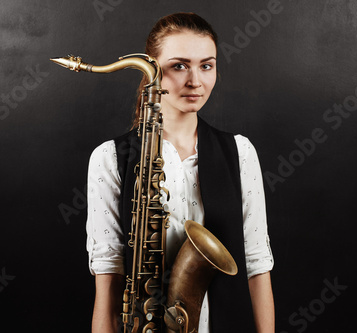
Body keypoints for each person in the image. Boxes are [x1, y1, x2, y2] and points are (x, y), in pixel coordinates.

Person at [86, 12, 274, 333]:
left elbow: (256, 267)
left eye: (206, 65)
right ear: (152, 72)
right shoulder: (108, 158)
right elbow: (108, 280)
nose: (195, 81)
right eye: (179, 65)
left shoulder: (240, 152)